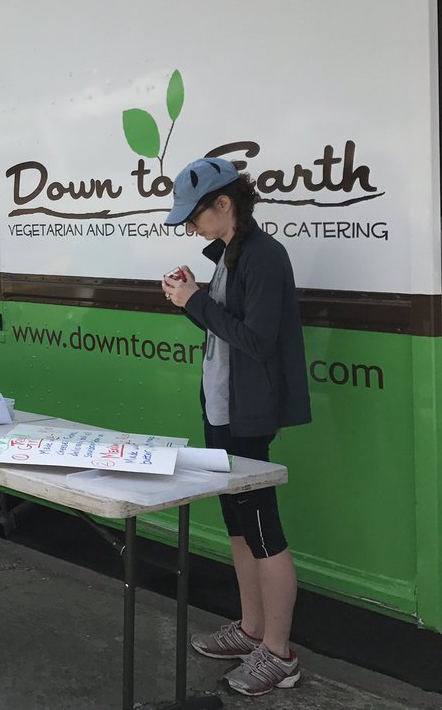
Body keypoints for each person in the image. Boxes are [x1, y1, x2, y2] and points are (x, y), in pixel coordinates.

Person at [161, 157, 311, 697]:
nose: (189, 227)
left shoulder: (265, 257)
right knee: (237, 525)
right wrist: (192, 300)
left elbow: (257, 342)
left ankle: (280, 653)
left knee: (264, 530)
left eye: (194, 216)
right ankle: (251, 631)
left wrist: (195, 300)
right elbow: (226, 327)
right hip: (222, 409)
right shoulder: (231, 253)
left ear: (225, 204)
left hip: (247, 414)